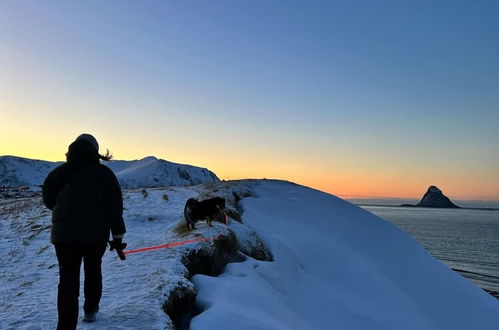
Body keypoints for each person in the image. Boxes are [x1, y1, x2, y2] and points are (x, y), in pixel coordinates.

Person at [42, 134, 127, 330]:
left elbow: (49, 202)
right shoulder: (103, 174)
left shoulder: (58, 173)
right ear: (95, 151)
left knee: (67, 282)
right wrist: (118, 235)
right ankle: (90, 310)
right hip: (94, 236)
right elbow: (114, 206)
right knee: (93, 271)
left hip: (63, 237)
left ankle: (65, 326)